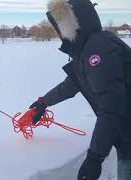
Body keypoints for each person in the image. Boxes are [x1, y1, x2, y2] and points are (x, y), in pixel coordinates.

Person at [29, 0, 131, 179]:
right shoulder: (85, 50)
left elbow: (112, 107)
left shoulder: (99, 49)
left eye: (59, 25)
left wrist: (95, 158)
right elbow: (69, 86)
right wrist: (43, 103)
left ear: (72, 24)